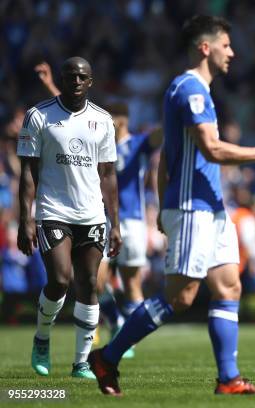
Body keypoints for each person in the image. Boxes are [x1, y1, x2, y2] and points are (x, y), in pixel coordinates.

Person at [88, 15, 255, 396]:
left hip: (211, 207)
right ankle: (107, 358)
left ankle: (228, 379)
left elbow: (165, 160)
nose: (233, 52)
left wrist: (161, 207)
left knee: (229, 287)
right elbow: (211, 148)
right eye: (226, 45)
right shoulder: (190, 89)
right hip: (193, 207)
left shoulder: (197, 91)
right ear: (205, 47)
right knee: (180, 297)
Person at [35, 63, 163, 356]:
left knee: (132, 283)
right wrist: (50, 85)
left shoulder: (137, 143)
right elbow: (68, 115)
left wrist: (171, 115)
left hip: (132, 220)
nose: (114, 122)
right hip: (96, 217)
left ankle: (125, 334)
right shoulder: (95, 138)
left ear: (125, 120)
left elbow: (158, 138)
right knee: (96, 279)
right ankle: (113, 322)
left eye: (119, 117)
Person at [18, 57, 122, 379]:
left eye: (82, 77)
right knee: (60, 280)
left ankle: (81, 362)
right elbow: (27, 172)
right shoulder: (39, 116)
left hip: (91, 213)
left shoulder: (103, 120)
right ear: (62, 80)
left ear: (90, 82)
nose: (76, 81)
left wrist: (114, 223)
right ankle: (42, 337)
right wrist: (26, 218)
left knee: (89, 283)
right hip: (53, 210)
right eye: (70, 76)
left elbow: (108, 176)